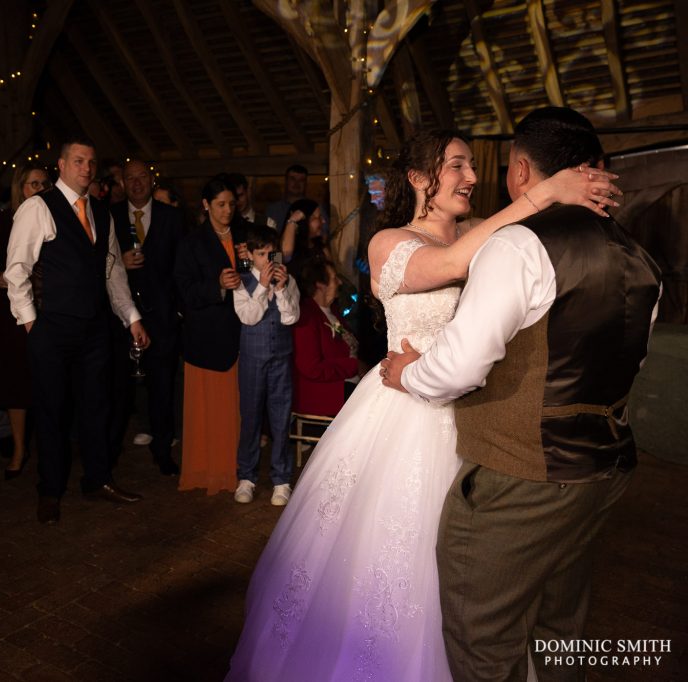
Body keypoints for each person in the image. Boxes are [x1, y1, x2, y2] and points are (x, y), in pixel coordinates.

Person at [225, 128, 620, 681]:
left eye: (473, 167)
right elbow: (454, 263)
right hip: (400, 416)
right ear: (417, 177)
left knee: (482, 570)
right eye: (457, 165)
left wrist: (568, 203)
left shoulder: (491, 232)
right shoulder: (389, 242)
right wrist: (544, 192)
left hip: (479, 418)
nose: (473, 177)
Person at [381, 108, 662, 681]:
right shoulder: (641, 259)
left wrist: (407, 373)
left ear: (520, 170)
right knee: (561, 620)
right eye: (455, 164)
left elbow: (458, 367)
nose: (473, 176)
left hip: (522, 468)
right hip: (601, 466)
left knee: (483, 635)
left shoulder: (515, 245)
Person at [4, 137, 148, 525]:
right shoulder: (38, 208)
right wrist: (31, 321)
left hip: (96, 327)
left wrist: (131, 316)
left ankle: (98, 479)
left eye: (91, 161)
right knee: (52, 410)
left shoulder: (101, 211)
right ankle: (50, 490)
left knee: (98, 406)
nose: (86, 168)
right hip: (52, 327)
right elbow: (15, 271)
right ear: (63, 165)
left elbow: (113, 271)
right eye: (79, 161)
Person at [108, 159, 184, 476]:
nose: (137, 183)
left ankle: (162, 449)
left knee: (162, 386)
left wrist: (177, 310)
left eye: (142, 177)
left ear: (151, 180)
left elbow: (181, 265)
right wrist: (120, 263)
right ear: (123, 183)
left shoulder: (172, 217)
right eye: (131, 178)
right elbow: (100, 266)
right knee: (115, 388)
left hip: (163, 317)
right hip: (120, 316)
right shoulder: (109, 216)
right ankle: (109, 453)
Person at [174, 176, 245, 495]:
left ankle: (236, 469)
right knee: (208, 410)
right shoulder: (191, 243)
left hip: (242, 332)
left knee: (236, 407)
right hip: (206, 335)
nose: (227, 210)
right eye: (220, 204)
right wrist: (216, 285)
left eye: (231, 203)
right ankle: (207, 472)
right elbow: (184, 291)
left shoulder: (245, 235)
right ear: (205, 205)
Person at [0, 164, 49, 476]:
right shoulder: (4, 220)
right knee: (16, 379)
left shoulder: (55, 218)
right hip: (11, 309)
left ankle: (51, 444)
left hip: (48, 305)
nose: (38, 188)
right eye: (32, 183)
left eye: (43, 183)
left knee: (47, 378)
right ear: (19, 187)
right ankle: (19, 449)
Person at [232, 225, 299, 506]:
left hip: (281, 360)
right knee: (251, 418)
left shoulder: (289, 281)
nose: (267, 260)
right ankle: (246, 477)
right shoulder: (241, 282)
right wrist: (262, 285)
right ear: (250, 254)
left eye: (271, 253)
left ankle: (281, 480)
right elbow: (248, 316)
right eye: (261, 254)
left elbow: (291, 318)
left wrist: (281, 290)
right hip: (252, 360)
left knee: (281, 419)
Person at [292, 257, 361, 417]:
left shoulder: (334, 311)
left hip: (346, 381)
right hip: (324, 392)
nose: (340, 283)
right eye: (334, 279)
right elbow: (311, 368)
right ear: (320, 285)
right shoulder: (307, 316)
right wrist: (354, 366)